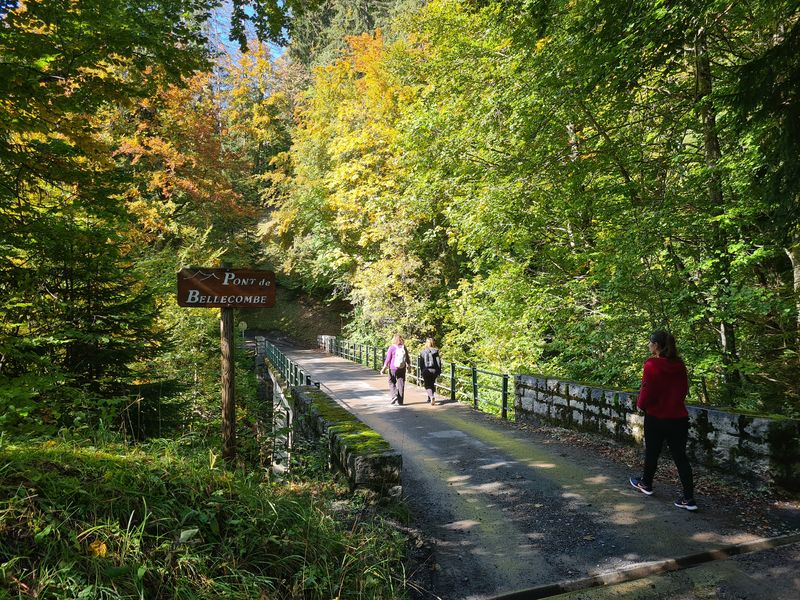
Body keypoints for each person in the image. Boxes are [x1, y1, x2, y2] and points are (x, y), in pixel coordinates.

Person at [630, 330, 697, 511]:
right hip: (678, 418)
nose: (648, 345)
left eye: (650, 342)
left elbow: (647, 389)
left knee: (652, 452)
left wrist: (641, 405)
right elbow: (683, 390)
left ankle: (646, 483)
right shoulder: (679, 364)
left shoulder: (652, 364)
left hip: (656, 417)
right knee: (680, 457)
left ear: (657, 345)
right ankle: (689, 498)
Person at [380, 334, 411, 405]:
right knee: (401, 384)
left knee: (391, 381)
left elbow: (388, 359)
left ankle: (394, 395)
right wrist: (409, 367)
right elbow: (407, 358)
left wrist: (383, 369)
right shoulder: (403, 347)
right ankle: (400, 401)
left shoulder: (392, 347)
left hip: (393, 368)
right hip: (402, 368)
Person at [417, 337, 443, 404]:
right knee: (432, 384)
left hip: (426, 370)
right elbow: (438, 362)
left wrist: (422, 371)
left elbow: (421, 363)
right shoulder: (436, 351)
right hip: (434, 370)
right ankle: (430, 398)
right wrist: (439, 371)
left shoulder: (423, 352)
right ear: (432, 343)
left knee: (427, 385)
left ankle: (431, 397)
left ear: (426, 343)